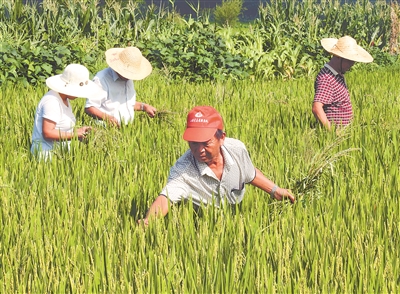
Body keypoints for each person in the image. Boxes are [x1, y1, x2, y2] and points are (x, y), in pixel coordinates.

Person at [139, 106, 295, 225]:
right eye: (193, 143)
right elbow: (166, 197)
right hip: (203, 225)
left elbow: (249, 173)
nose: (199, 150)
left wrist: (274, 190)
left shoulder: (237, 149)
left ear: (222, 138)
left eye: (206, 143)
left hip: (238, 218)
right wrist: (149, 221)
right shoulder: (183, 170)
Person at [31, 64, 103, 161]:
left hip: (60, 154)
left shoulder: (64, 99)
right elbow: (48, 133)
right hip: (47, 156)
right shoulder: (52, 101)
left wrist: (79, 132)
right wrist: (76, 135)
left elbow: (60, 129)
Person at [84, 46, 157, 127]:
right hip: (106, 129)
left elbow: (127, 103)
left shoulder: (128, 79)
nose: (130, 76)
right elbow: (89, 107)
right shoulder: (101, 79)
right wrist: (108, 118)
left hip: (127, 128)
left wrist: (144, 107)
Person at [312, 36, 373, 129]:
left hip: (344, 131)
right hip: (335, 133)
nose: (352, 65)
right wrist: (332, 132)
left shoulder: (337, 74)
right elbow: (317, 108)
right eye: (349, 61)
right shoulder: (327, 78)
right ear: (339, 57)